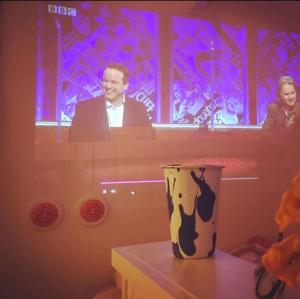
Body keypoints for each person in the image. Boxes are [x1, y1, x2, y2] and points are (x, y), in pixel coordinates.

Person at [69, 63, 151, 141]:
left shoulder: (139, 109)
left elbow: (147, 143)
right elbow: (75, 145)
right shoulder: (84, 109)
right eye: (105, 81)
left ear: (125, 85)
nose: (108, 86)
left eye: (113, 82)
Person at [258, 76, 300, 199]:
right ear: (280, 96)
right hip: (278, 156)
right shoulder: (274, 109)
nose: (291, 97)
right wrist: (281, 140)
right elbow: (265, 133)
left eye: (293, 93)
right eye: (286, 94)